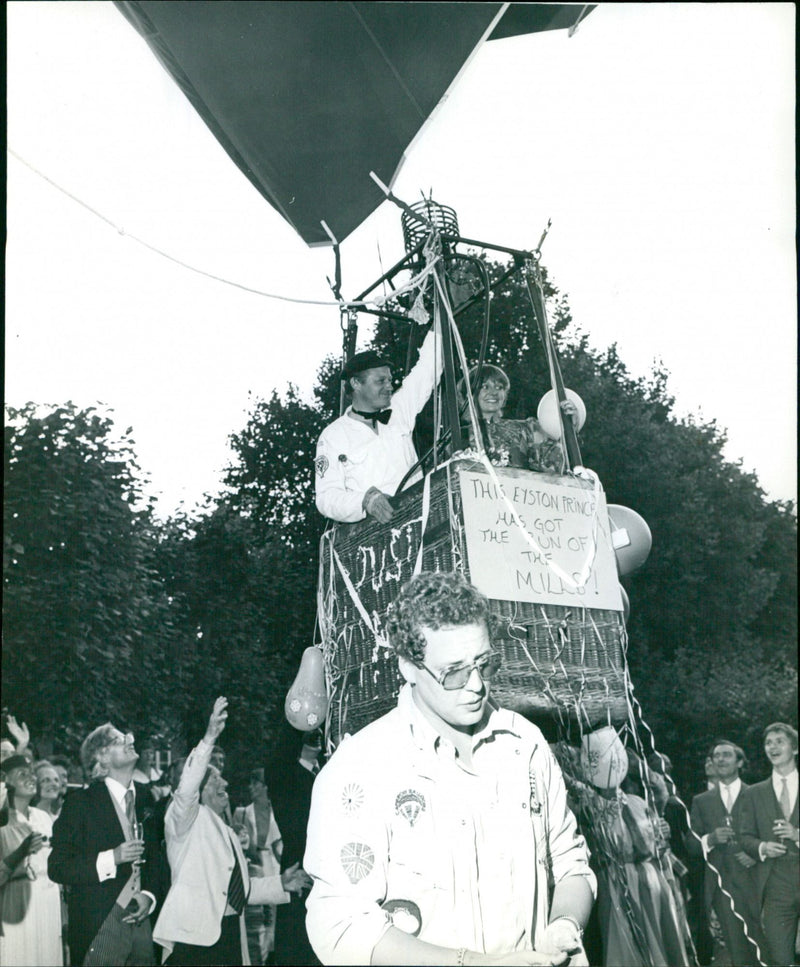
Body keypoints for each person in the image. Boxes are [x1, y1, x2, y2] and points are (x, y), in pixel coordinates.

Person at [304, 571, 596, 966]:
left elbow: (570, 860)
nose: (476, 686)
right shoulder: (361, 767)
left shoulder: (524, 746)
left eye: (485, 664)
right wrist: (474, 963)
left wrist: (563, 924)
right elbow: (341, 925)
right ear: (409, 667)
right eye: (454, 672)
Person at [152, 697, 310, 966]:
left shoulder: (226, 831)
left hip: (228, 936)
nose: (224, 782)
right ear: (199, 790)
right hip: (195, 941)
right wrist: (209, 738)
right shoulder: (184, 821)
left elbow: (236, 890)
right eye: (214, 779)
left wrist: (281, 883)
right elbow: (186, 788)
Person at [566, 729, 690, 967]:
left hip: (651, 880)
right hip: (615, 883)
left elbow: (658, 839)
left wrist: (661, 836)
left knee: (661, 938)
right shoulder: (590, 805)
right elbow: (570, 784)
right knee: (625, 942)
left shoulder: (638, 802)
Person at [48, 724, 160, 966]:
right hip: (99, 923)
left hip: (142, 923)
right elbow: (58, 867)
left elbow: (156, 857)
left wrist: (149, 895)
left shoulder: (145, 797)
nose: (130, 739)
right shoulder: (80, 803)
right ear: (102, 758)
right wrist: (112, 858)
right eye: (119, 740)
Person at [314, 318, 442, 525]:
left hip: (419, 519)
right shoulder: (333, 435)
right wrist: (366, 501)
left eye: (389, 380)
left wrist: (442, 317)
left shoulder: (398, 410)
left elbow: (427, 369)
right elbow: (326, 497)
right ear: (356, 383)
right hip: (373, 534)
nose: (389, 386)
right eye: (380, 381)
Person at [688, 739, 765, 966]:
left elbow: (772, 835)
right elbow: (690, 845)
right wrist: (710, 839)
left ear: (740, 762)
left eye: (727, 755)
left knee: (765, 948)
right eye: (716, 756)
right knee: (736, 953)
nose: (720, 759)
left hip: (757, 883)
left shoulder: (757, 794)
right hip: (722, 887)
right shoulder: (701, 801)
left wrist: (756, 853)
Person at [739, 722, 800, 967]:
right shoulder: (754, 793)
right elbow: (745, 837)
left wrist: (797, 835)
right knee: (780, 958)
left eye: (779, 741)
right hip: (775, 886)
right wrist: (762, 848)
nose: (772, 747)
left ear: (795, 748)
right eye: (768, 743)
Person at [0, 755, 63, 965]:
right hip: (17, 904)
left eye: (31, 774)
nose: (30, 778)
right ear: (6, 782)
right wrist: (22, 852)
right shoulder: (3, 822)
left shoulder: (42, 817)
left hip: (48, 903)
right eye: (22, 774)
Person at [458, 364, 577, 473]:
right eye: (485, 387)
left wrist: (569, 426)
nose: (493, 392)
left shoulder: (525, 430)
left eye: (499, 387)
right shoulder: (457, 436)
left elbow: (556, 457)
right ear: (469, 393)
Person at [269, 730, 322, 966]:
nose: (316, 732)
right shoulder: (285, 776)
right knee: (299, 944)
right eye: (309, 729)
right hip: (300, 867)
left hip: (330, 868)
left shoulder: (329, 769)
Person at [234, 768, 284, 964]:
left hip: (275, 867)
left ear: (266, 787)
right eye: (250, 783)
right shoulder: (241, 813)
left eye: (256, 783)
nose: (251, 787)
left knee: (276, 924)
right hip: (254, 870)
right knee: (257, 923)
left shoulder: (278, 810)